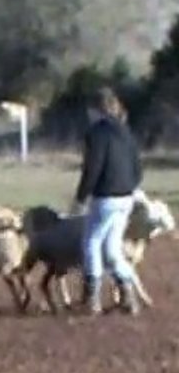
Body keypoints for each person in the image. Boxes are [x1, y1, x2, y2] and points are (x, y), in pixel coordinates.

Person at [71, 86, 144, 315]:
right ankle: (128, 297)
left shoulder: (97, 133)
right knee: (112, 249)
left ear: (94, 110)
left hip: (106, 198)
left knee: (91, 243)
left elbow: (92, 168)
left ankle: (92, 300)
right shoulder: (126, 132)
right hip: (126, 197)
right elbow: (138, 169)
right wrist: (129, 188)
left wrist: (81, 197)